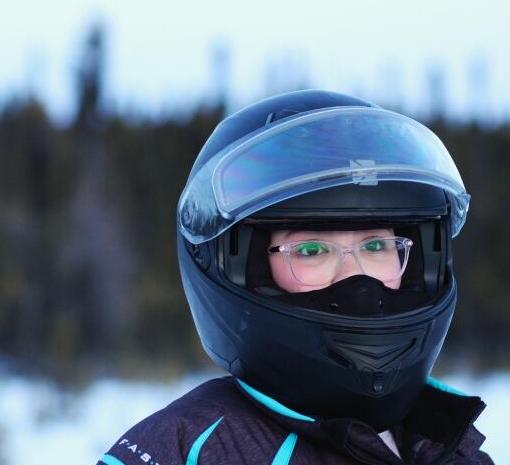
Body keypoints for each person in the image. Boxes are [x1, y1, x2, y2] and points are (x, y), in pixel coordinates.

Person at [97, 90, 493, 464]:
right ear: (246, 269)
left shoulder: (449, 442)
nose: (357, 279)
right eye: (312, 250)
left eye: (376, 247)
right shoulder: (189, 447)